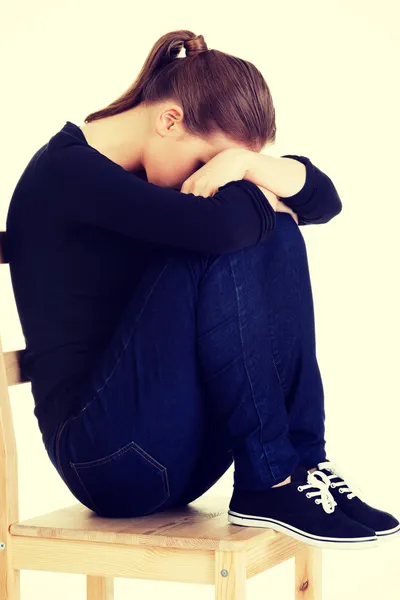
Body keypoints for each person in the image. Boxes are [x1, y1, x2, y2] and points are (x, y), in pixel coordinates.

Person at [6, 29, 399, 550]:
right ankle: (270, 480)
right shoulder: (67, 173)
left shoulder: (154, 172)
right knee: (242, 233)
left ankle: (304, 467)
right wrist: (265, 193)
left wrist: (248, 167)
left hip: (181, 455)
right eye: (203, 164)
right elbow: (223, 229)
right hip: (108, 460)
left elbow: (324, 200)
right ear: (169, 120)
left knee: (271, 229)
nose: (208, 179)